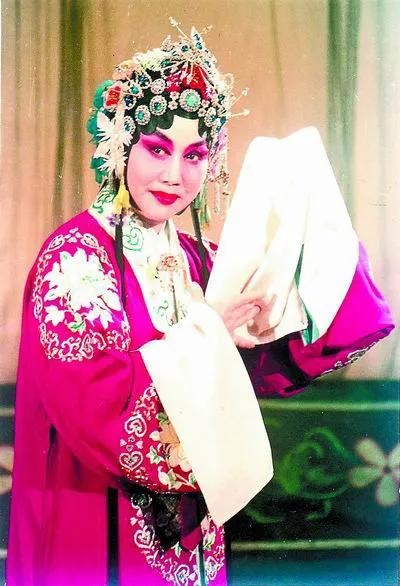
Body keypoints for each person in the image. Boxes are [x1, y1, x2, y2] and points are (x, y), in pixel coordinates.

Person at [6, 19, 394, 586]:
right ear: (120, 144)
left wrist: (315, 250)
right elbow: (98, 407)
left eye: (194, 155)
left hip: (193, 535)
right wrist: (210, 335)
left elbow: (274, 348)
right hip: (97, 516)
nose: (174, 175)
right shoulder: (74, 260)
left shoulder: (199, 260)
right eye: (157, 149)